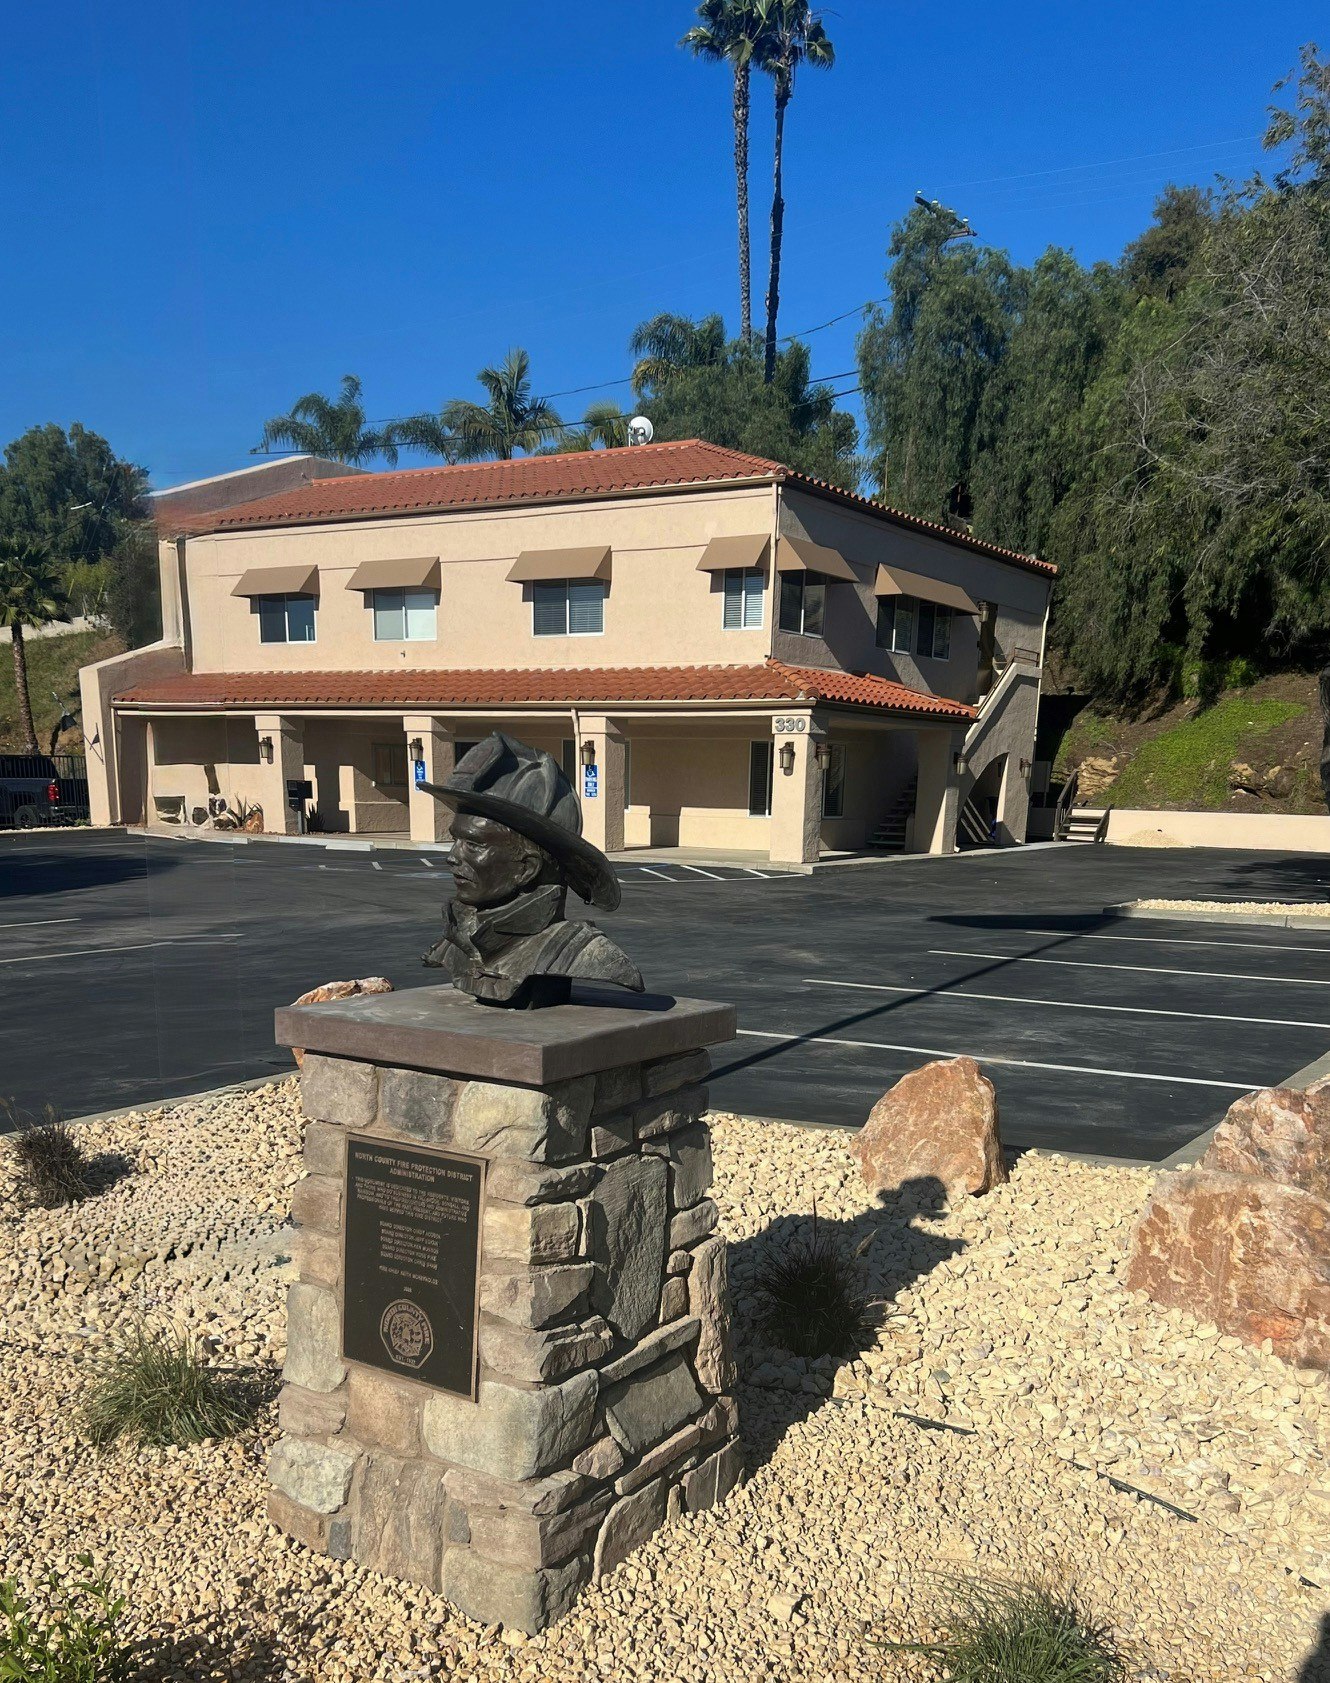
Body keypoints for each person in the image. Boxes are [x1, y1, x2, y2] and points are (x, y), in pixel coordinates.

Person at [421, 732, 644, 1008]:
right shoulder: (454, 944)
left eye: (474, 845)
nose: (452, 857)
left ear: (526, 868)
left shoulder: (586, 955)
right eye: (455, 840)